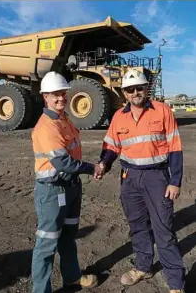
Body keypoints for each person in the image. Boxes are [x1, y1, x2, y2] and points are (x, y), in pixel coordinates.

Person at [95, 69, 185, 293]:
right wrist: (104, 164)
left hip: (157, 177)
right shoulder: (119, 117)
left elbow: (174, 148)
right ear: (124, 92)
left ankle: (175, 283)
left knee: (163, 229)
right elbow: (111, 146)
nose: (135, 92)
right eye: (130, 89)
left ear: (146, 89)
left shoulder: (162, 111)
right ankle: (144, 267)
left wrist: (175, 181)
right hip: (130, 178)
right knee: (137, 226)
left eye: (139, 88)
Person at [31, 71, 100, 293]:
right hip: (52, 193)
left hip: (71, 189)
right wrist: (93, 168)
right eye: (54, 94)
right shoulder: (46, 126)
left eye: (62, 93)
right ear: (45, 97)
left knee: (68, 237)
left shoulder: (64, 119)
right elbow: (62, 162)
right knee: (47, 244)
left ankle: (71, 277)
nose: (60, 98)